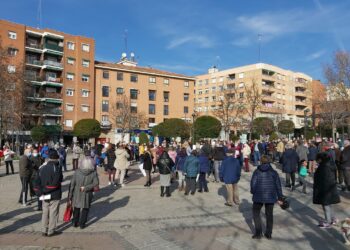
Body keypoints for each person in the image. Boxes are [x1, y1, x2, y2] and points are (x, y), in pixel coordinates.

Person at [250, 155, 283, 240]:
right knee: (269, 215)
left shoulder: (256, 171)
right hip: (270, 196)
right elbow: (278, 186)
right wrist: (280, 197)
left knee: (256, 213)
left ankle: (258, 233)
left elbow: (253, 184)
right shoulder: (274, 172)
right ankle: (268, 233)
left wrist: (253, 192)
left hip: (258, 195)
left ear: (261, 161)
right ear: (269, 161)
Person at [34, 149, 63, 237]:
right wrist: (44, 191)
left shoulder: (42, 168)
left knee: (45, 212)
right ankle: (51, 230)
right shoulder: (57, 168)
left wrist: (39, 192)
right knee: (53, 212)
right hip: (54, 194)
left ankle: (44, 229)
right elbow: (55, 183)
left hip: (44, 194)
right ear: (56, 159)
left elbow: (36, 182)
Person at [69, 150, 99, 229]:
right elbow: (96, 183)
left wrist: (70, 195)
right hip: (87, 193)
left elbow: (72, 184)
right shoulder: (93, 173)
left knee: (76, 208)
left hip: (77, 192)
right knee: (85, 209)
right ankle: (82, 224)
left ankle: (75, 222)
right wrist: (87, 188)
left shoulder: (77, 172)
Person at [313, 152, 341, 228]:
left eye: (317, 160)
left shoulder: (323, 167)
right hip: (330, 188)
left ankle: (328, 222)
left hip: (325, 189)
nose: (316, 161)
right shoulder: (330, 164)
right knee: (329, 204)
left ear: (320, 159)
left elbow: (323, 179)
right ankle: (333, 218)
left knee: (325, 205)